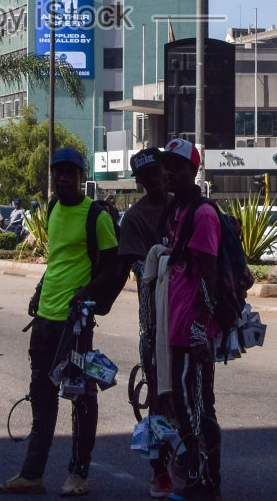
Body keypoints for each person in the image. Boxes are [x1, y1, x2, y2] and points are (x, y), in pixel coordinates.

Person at [0, 147, 117, 498]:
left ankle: (78, 474)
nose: (63, 178)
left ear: (81, 176)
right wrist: (40, 290)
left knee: (80, 397)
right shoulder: (54, 208)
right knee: (42, 396)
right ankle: (32, 474)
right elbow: (58, 260)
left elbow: (112, 266)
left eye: (70, 172)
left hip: (75, 325)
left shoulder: (96, 217)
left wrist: (87, 295)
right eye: (57, 172)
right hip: (45, 319)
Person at [95, 147, 174, 498]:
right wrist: (95, 300)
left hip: (188, 320)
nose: (155, 181)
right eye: (147, 177)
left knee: (197, 395)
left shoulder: (186, 206)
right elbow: (123, 268)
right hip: (154, 323)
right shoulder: (137, 218)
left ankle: (201, 465)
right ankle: (160, 471)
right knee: (158, 395)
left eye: (159, 173)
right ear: (140, 182)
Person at [159, 138, 223, 501]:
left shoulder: (201, 214)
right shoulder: (176, 212)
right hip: (176, 326)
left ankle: (208, 481)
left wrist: (200, 328)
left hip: (193, 331)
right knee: (183, 406)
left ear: (193, 170)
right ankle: (194, 476)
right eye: (166, 166)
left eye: (176, 167)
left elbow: (209, 275)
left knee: (199, 406)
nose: (168, 173)